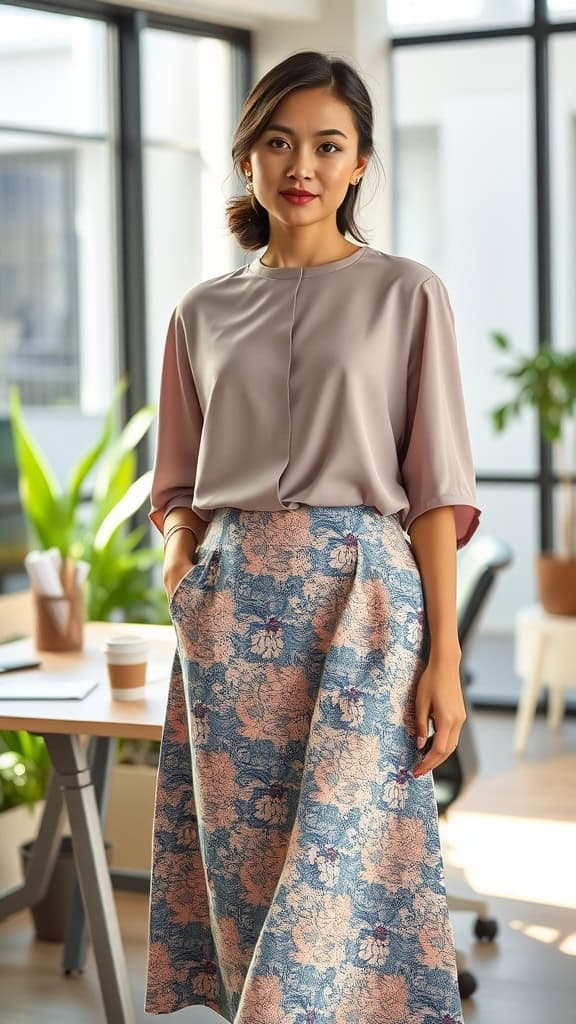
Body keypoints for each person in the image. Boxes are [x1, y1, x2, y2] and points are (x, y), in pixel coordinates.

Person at [145, 49, 480, 1024]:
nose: (304, 164)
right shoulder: (200, 311)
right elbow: (178, 481)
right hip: (231, 618)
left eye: (329, 145)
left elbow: (435, 492)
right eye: (280, 141)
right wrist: (182, 560)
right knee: (251, 879)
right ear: (247, 156)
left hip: (366, 612)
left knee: (346, 871)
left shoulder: (407, 294)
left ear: (362, 162)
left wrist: (446, 659)